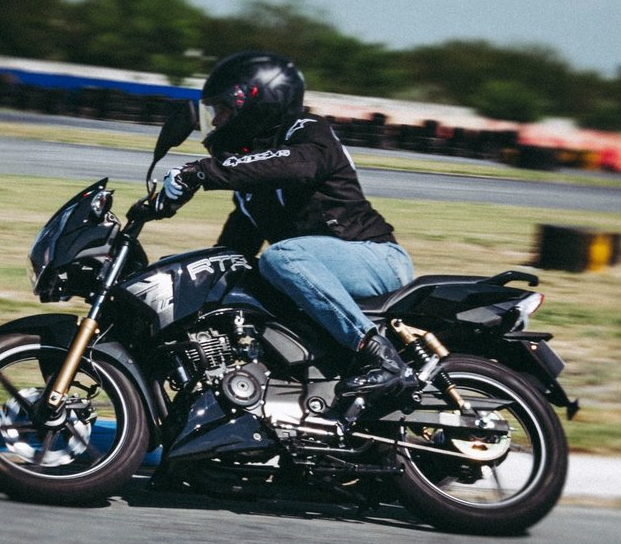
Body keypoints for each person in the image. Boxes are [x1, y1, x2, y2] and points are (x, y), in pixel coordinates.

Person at [147, 50, 419, 416]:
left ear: (259, 102)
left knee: (279, 257)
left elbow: (297, 166)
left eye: (223, 110)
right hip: (324, 270)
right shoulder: (250, 194)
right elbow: (230, 255)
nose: (218, 122)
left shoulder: (308, 131)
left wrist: (203, 172)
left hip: (375, 257)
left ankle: (379, 356)